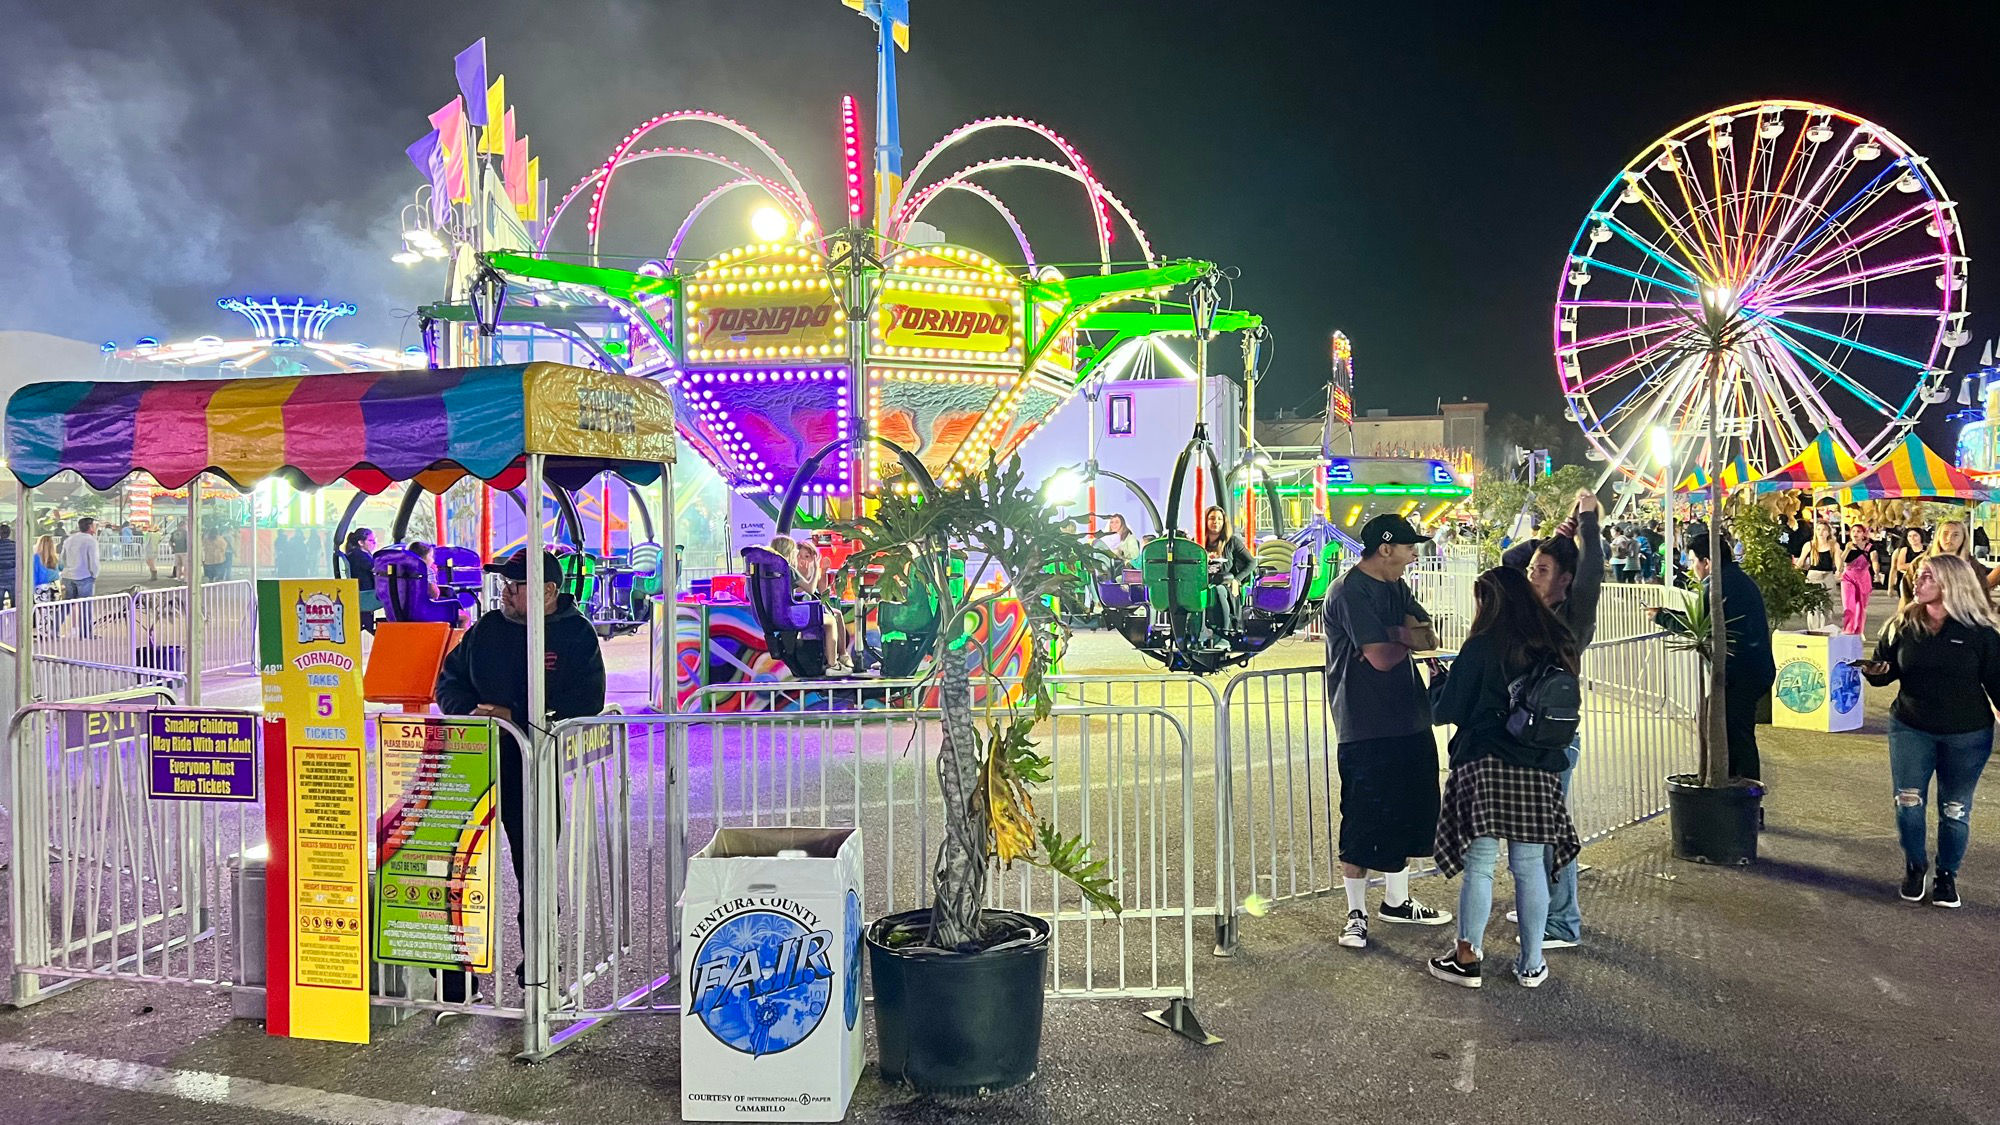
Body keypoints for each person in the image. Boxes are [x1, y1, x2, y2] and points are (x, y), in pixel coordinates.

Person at [434, 548, 606, 1009]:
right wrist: (468, 712)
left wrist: (517, 716)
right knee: (455, 867)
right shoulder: (486, 629)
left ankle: (540, 970)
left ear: (548, 591)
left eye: (516, 584)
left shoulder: (576, 635)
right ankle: (453, 976)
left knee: (534, 870)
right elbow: (447, 683)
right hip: (474, 765)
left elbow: (586, 703)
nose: (506, 591)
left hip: (533, 767)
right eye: (504, 584)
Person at [1425, 567, 1583, 989]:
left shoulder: (1483, 645)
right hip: (1540, 764)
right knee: (1529, 866)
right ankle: (1531, 963)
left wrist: (1438, 683)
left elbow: (1446, 710)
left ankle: (1467, 957)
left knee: (1479, 866)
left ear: (1489, 602)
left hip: (1486, 762)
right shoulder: (1557, 640)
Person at [1322, 513, 1453, 950]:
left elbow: (1427, 634)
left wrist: (1397, 637)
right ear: (1385, 547)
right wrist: (1402, 638)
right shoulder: (1349, 590)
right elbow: (1379, 656)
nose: (1415, 551)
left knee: (1408, 810)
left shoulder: (1395, 585)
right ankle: (1355, 914)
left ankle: (1397, 901)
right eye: (1408, 544)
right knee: (1362, 819)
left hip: (1408, 717)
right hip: (1365, 724)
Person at [1856, 554, 2000, 908]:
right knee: (1908, 801)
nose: (1916, 583)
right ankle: (1915, 865)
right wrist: (1874, 672)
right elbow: (1886, 671)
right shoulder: (1903, 624)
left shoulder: (1980, 633)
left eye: (1926, 578)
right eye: (1917, 576)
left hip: (1967, 734)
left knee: (1955, 809)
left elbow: (1997, 685)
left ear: (1951, 584)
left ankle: (1946, 876)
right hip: (1910, 726)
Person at [1521, 488, 1603, 950]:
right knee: (1537, 828)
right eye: (1534, 569)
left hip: (1553, 739)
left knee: (1552, 831)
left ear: (1566, 580)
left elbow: (1592, 572)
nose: (1532, 575)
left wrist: (1589, 524)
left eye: (1544, 571)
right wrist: (1555, 537)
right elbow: (1506, 567)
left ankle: (1562, 920)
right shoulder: (1535, 608)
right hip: (1532, 735)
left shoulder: (1573, 618)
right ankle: (1544, 903)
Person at [1655, 531, 1776, 781]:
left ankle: (1747, 791)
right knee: (1732, 731)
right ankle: (1732, 782)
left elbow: (1699, 623)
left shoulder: (1717, 585)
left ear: (1707, 561)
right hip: (1752, 668)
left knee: (1738, 733)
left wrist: (1662, 616)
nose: (1691, 567)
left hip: (1740, 672)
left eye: (1692, 561)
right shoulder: (1739, 579)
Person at [1202, 505, 1255, 636]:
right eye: (1212, 518)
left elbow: (1252, 562)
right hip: (1202, 584)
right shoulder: (1198, 542)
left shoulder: (1232, 542)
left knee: (1218, 590)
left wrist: (1237, 579)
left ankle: (1225, 632)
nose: (1216, 522)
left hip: (1225, 584)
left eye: (1220, 519)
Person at [1795, 520, 1839, 629]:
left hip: (1828, 575)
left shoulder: (1833, 545)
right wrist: (1794, 572)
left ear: (1828, 532)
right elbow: (1801, 561)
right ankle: (1814, 630)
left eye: (1824, 530)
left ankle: (1825, 629)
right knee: (1813, 606)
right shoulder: (1809, 545)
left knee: (1827, 605)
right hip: (1813, 576)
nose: (1821, 532)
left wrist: (1839, 570)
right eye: (1818, 529)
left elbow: (1838, 560)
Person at [1840, 525, 1875, 635]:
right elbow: (1840, 562)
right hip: (1848, 578)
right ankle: (1848, 630)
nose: (1855, 533)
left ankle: (1858, 630)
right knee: (1849, 605)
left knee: (1861, 606)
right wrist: (1847, 549)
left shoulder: (1870, 547)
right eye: (1853, 531)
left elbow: (1874, 560)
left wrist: (1877, 571)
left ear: (1863, 534)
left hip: (1863, 578)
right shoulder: (1847, 546)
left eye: (1859, 531)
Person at [1891, 527, 1929, 609]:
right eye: (1909, 536)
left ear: (1920, 536)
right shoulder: (1904, 550)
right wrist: (1919, 564)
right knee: (1905, 604)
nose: (1912, 538)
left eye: (1915, 535)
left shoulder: (1928, 550)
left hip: (1923, 581)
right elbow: (1900, 566)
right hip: (1907, 580)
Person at [0, 525, 14, 609]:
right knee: (15, 605)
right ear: (9, 533)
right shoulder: (15, 546)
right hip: (13, 578)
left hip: (0, 578)